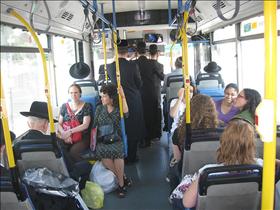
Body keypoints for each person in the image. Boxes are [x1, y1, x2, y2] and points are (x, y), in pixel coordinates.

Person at [171, 119, 263, 209]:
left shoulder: (208, 172)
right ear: (252, 144)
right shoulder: (261, 167)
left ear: (223, 143)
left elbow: (187, 203)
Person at [17, 101, 91, 189]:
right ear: (45, 125)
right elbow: (69, 167)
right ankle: (78, 193)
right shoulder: (55, 144)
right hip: (58, 182)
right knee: (87, 165)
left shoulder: (18, 145)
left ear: (28, 124)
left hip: (31, 184)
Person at [168, 94, 219, 195]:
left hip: (189, 171)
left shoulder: (180, 132)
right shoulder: (221, 129)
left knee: (172, 166)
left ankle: (174, 195)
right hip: (215, 169)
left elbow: (178, 158)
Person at [107, 39, 145, 164]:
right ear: (127, 52)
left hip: (116, 101)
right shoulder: (133, 65)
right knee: (133, 129)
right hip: (133, 100)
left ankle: (119, 155)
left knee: (119, 127)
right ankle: (132, 156)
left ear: (115, 51)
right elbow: (139, 83)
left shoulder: (109, 67)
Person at [93, 83, 131, 198]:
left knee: (118, 153)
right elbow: (94, 125)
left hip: (116, 138)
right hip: (102, 140)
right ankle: (122, 178)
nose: (102, 98)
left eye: (104, 96)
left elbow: (126, 113)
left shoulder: (118, 109)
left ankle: (120, 185)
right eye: (101, 96)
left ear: (111, 97)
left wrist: (123, 97)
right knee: (103, 153)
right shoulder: (99, 108)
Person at [136, 41, 161, 147]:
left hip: (139, 94)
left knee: (141, 116)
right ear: (146, 51)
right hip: (151, 93)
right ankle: (150, 137)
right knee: (151, 115)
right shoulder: (152, 63)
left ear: (137, 51)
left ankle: (141, 138)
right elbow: (161, 76)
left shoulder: (133, 63)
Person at [58, 83, 92, 162]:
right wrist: (64, 134)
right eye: (71, 93)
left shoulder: (87, 106)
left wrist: (69, 132)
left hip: (82, 137)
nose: (74, 95)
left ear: (80, 93)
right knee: (59, 150)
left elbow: (85, 125)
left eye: (76, 92)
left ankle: (85, 170)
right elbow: (59, 124)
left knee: (73, 153)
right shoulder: (64, 106)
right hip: (66, 135)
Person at [149, 44, 164, 140]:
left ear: (149, 53)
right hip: (157, 89)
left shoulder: (146, 64)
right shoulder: (160, 65)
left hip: (147, 90)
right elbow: (162, 77)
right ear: (157, 53)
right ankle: (157, 133)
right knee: (157, 109)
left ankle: (150, 133)